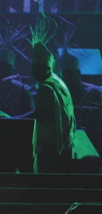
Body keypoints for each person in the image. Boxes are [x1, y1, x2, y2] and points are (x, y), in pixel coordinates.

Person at [31, 42, 76, 173]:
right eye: (33, 67)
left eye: (38, 67)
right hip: (66, 140)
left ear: (47, 68)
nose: (34, 71)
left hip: (53, 144)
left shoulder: (46, 87)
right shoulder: (57, 81)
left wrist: (12, 119)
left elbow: (38, 116)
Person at [0, 48, 35, 118]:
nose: (4, 70)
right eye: (1, 66)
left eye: (7, 67)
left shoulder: (23, 90)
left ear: (13, 69)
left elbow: (30, 115)